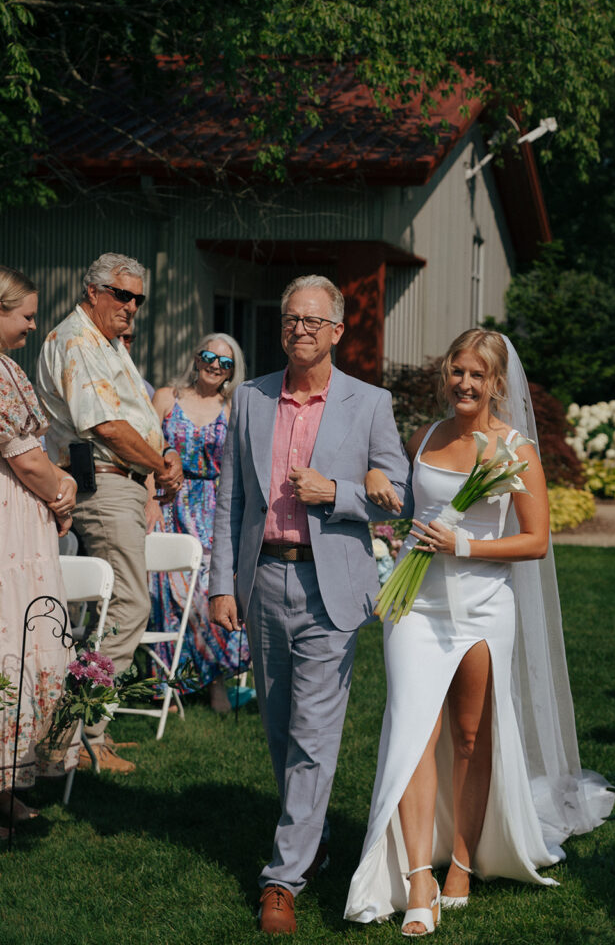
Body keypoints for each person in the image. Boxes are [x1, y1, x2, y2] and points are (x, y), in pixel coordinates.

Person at [345, 329, 615, 935]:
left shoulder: (515, 451)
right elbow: (412, 513)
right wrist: (379, 494)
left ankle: (463, 859)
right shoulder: (426, 437)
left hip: (485, 608)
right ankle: (418, 880)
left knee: (469, 738)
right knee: (413, 735)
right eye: (456, 372)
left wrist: (464, 544)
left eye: (476, 375)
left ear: (497, 384)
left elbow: (537, 540)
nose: (464, 384)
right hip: (415, 607)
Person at [208, 274, 412, 934]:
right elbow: (229, 498)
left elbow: (399, 491)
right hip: (262, 580)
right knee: (278, 728)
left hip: (332, 587)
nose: (298, 328)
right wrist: (219, 582)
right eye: (290, 318)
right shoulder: (250, 397)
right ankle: (312, 836)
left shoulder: (369, 403)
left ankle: (281, 881)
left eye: (311, 320)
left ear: (335, 330)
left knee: (313, 736)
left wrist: (338, 494)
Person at [36, 252, 183, 773]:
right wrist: (160, 469)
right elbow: (106, 427)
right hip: (104, 484)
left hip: (123, 481)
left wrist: (162, 456)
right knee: (129, 607)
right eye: (122, 295)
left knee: (110, 612)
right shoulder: (77, 339)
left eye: (138, 298)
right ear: (93, 290)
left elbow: (133, 419)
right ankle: (70, 736)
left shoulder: (102, 342)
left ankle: (85, 734)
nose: (132, 307)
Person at [0, 266, 79, 834]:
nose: (33, 324)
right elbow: (26, 459)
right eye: (25, 314)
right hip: (11, 525)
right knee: (13, 634)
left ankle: (4, 791)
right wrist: (61, 492)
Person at [147, 333, 251, 713]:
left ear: (232, 372)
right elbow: (145, 448)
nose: (215, 365)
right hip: (166, 503)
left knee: (210, 598)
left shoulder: (232, 408)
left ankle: (216, 684)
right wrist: (149, 501)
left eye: (226, 362)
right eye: (209, 356)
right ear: (195, 357)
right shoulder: (165, 398)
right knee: (165, 597)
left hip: (210, 509)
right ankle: (166, 686)